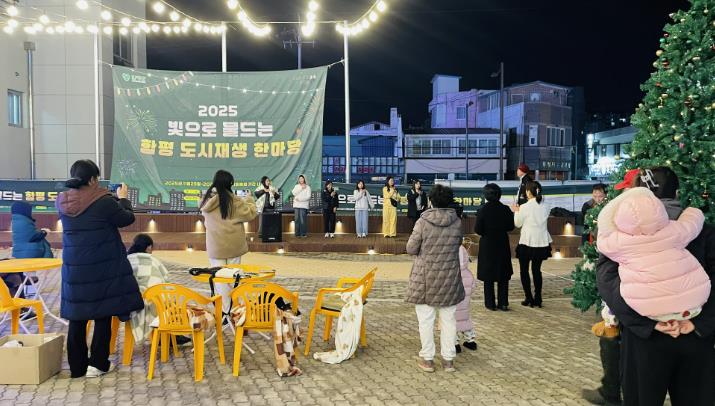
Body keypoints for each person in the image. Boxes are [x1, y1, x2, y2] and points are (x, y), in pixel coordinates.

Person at [597, 167, 715, 406]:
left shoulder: (620, 237)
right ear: (678, 192)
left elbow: (608, 283)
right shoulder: (700, 230)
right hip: (694, 334)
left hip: (644, 339)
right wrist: (699, 324)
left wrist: (648, 324)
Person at [56, 159, 143, 378]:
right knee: (103, 314)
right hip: (101, 267)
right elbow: (126, 219)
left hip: (74, 269)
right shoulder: (103, 201)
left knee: (77, 317)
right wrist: (123, 199)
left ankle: (77, 368)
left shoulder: (63, 200)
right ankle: (97, 364)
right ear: (93, 179)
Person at [597, 185, 709, 322]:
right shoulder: (674, 231)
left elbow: (602, 239)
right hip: (694, 302)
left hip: (647, 307)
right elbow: (691, 223)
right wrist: (694, 210)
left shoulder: (618, 242)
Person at [582, 170, 637, 406]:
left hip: (628, 291)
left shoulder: (627, 219)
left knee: (617, 338)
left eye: (627, 188)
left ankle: (612, 391)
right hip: (634, 291)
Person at [406, 184, 464, 373]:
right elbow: (458, 244)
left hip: (425, 278)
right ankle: (448, 361)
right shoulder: (457, 222)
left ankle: (428, 360)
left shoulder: (422, 222)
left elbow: (411, 248)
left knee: (426, 320)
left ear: (430, 201)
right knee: (449, 320)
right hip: (450, 277)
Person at [200, 170, 257, 315]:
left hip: (215, 247)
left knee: (219, 280)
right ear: (229, 184)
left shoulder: (206, 202)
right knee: (234, 279)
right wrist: (250, 199)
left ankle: (224, 312)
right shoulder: (235, 201)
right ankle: (234, 312)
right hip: (234, 246)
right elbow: (251, 214)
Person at [126, 234, 190, 346]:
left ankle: (165, 335)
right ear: (149, 247)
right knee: (168, 301)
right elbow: (164, 282)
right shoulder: (152, 261)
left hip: (128, 302)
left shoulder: (127, 259)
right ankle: (169, 335)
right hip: (148, 302)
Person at [475, 183, 514, 311]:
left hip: (488, 245)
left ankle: (490, 303)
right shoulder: (505, 209)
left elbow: (478, 229)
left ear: (486, 195)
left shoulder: (483, 210)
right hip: (502, 243)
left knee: (488, 275)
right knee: (503, 274)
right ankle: (503, 303)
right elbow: (510, 227)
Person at [3, 202, 53, 301]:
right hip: (29, 251)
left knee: (26, 272)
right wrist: (44, 232)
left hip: (22, 250)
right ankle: (30, 292)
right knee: (30, 272)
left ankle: (27, 291)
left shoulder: (17, 220)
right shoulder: (23, 221)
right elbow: (32, 236)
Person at [513, 180, 552, 308]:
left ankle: (528, 297)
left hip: (527, 241)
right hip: (541, 242)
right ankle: (538, 298)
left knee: (524, 270)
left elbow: (517, 224)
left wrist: (516, 211)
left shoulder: (525, 207)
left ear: (529, 192)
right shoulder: (546, 206)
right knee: (537, 270)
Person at [454, 204, 477, 354]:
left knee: (453, 319)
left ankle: (455, 343)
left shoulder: (453, 273)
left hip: (454, 295)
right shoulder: (468, 273)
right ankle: (470, 340)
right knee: (465, 317)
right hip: (466, 299)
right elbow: (473, 286)